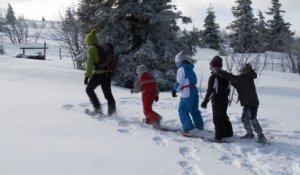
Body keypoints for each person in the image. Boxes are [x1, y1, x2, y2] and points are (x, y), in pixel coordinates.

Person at [212, 63, 267, 143]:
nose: (240, 70)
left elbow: (236, 78)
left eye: (241, 69)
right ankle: (250, 133)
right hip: (247, 103)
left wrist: (222, 73)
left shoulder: (247, 76)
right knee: (244, 119)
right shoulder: (245, 77)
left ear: (245, 69)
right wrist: (228, 79)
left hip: (252, 103)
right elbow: (238, 84)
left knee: (252, 118)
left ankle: (261, 136)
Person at [84, 29, 116, 116]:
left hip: (98, 74)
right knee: (108, 94)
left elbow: (90, 63)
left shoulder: (91, 49)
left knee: (89, 89)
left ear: (89, 41)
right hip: (107, 73)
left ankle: (97, 108)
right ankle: (112, 113)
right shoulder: (100, 47)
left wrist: (87, 76)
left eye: (87, 41)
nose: (87, 43)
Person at [201, 56, 233, 142]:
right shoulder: (226, 76)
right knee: (223, 115)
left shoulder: (213, 78)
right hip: (225, 99)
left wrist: (205, 101)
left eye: (211, 67)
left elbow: (211, 91)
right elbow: (229, 88)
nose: (210, 68)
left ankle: (219, 136)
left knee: (217, 118)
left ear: (215, 67)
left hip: (217, 100)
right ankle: (228, 132)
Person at [172, 51, 204, 135]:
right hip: (194, 91)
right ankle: (199, 126)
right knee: (194, 110)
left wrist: (174, 90)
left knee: (182, 110)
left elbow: (180, 82)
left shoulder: (181, 69)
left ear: (179, 61)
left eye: (177, 62)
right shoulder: (190, 68)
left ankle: (188, 128)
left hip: (187, 92)